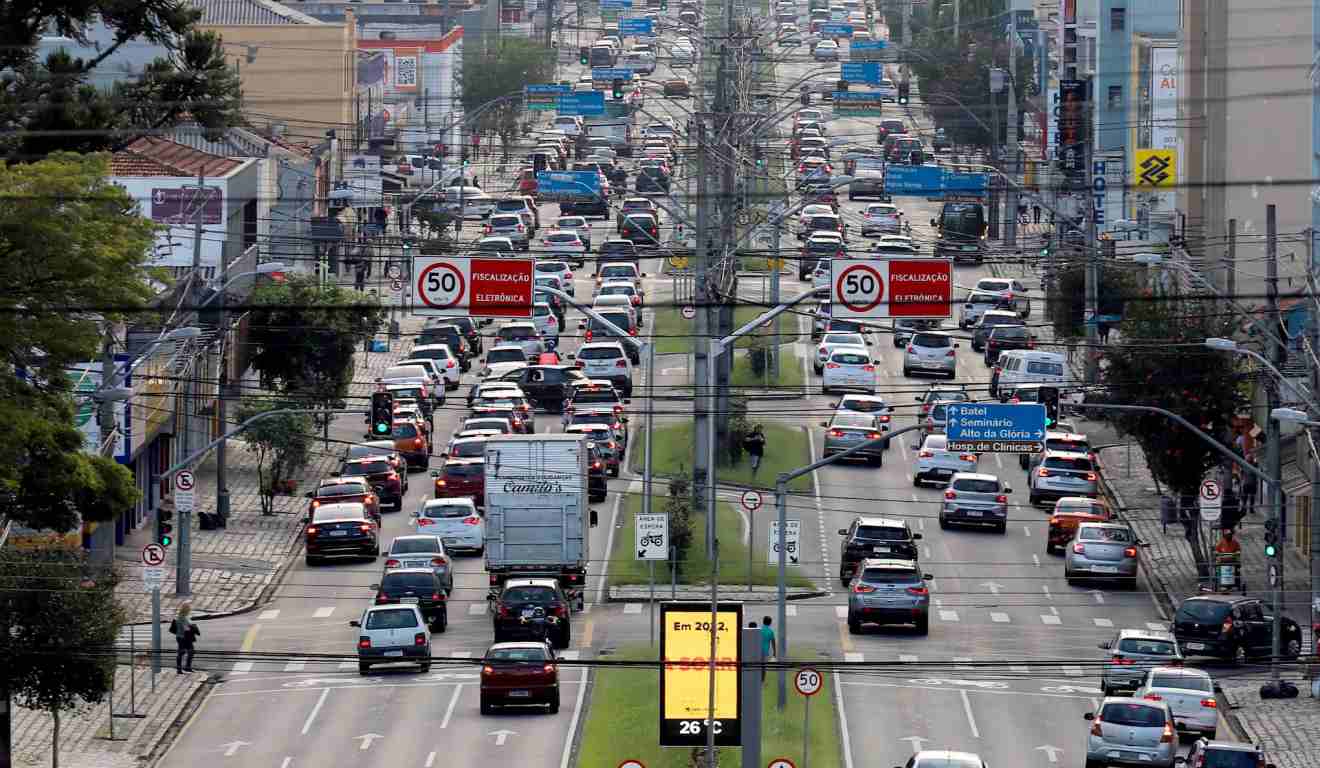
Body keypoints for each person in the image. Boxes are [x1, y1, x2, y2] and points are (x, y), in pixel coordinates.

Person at [169, 602, 199, 673]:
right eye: (189, 609)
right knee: (183, 652)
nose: (190, 610)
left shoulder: (183, 616)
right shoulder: (182, 617)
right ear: (186, 609)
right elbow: (186, 628)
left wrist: (191, 625)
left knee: (189, 652)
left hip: (183, 637)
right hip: (183, 637)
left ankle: (186, 667)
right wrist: (193, 627)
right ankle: (180, 669)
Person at [759, 616, 776, 681]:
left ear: (763, 621)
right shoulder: (770, 631)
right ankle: (762, 681)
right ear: (770, 623)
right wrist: (774, 653)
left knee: (755, 666)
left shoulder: (759, 630)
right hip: (765, 653)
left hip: (757, 651)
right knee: (763, 668)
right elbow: (773, 643)